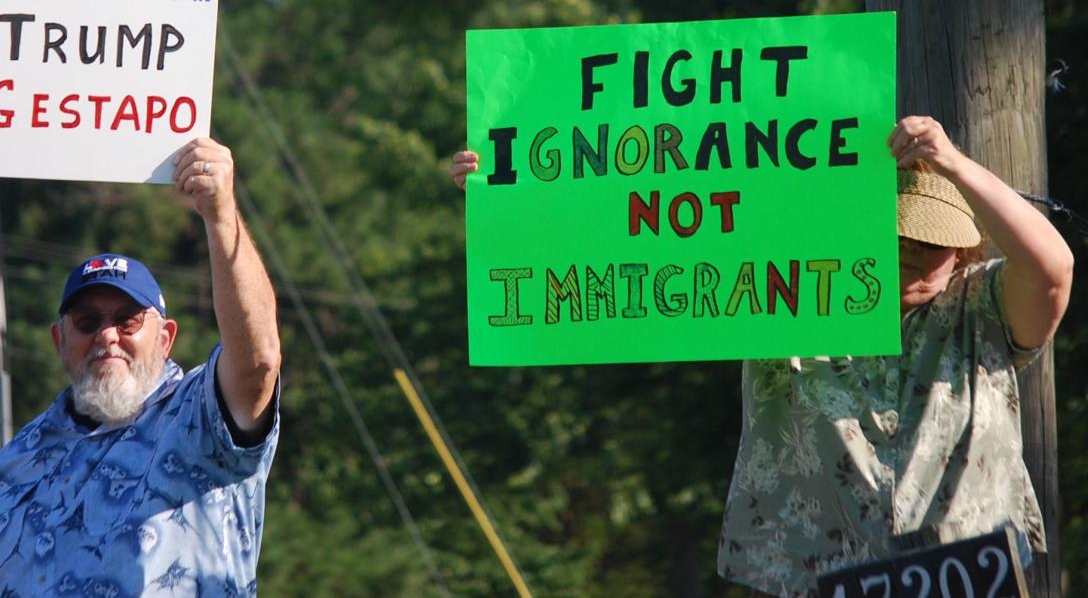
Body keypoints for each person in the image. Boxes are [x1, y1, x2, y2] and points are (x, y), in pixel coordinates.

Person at [450, 115, 1075, 597]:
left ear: (962, 250)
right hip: (809, 578)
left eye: (932, 241)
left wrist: (954, 164)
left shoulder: (983, 309)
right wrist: (509, 190)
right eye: (898, 231)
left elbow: (1053, 266)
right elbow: (630, 243)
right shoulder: (778, 296)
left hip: (968, 577)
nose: (913, 250)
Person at [0, 137, 282, 597]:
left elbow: (259, 360)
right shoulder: (4, 477)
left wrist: (221, 214)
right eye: (87, 322)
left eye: (128, 320)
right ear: (60, 341)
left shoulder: (202, 420)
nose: (107, 335)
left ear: (166, 338)